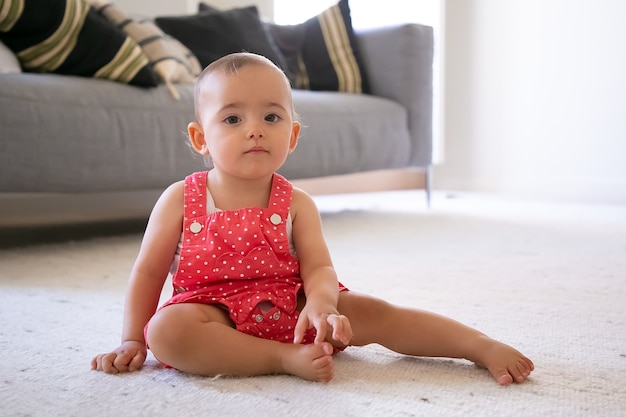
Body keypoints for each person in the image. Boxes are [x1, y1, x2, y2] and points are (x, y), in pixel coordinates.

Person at [91, 52, 534, 385]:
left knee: (376, 312)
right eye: (232, 118)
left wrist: (323, 303)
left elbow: (318, 267)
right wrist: (133, 338)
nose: (254, 129)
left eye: (271, 116)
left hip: (297, 308)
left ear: (293, 135)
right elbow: (148, 273)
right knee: (167, 331)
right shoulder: (180, 199)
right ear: (200, 137)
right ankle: (278, 358)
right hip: (214, 315)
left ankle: (477, 345)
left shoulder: (296, 202)